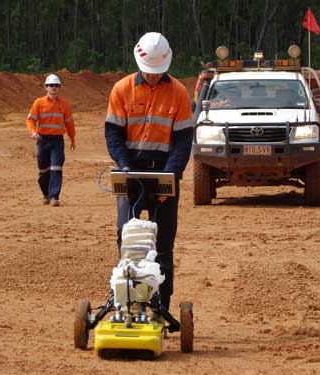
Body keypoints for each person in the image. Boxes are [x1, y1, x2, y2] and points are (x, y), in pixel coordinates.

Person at [104, 32, 193, 311]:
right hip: (131, 172)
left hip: (164, 172)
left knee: (163, 245)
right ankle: (124, 301)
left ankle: (162, 305)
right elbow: (113, 134)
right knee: (126, 236)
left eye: (158, 72)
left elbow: (182, 141)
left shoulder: (178, 92)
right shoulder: (121, 89)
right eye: (148, 72)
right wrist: (125, 165)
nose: (153, 77)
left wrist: (171, 176)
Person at [26, 74, 76, 207]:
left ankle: (54, 196)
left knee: (56, 168)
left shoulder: (64, 105)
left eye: (56, 86)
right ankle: (46, 194)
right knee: (43, 169)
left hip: (57, 141)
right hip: (43, 140)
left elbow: (69, 123)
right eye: (51, 85)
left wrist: (72, 138)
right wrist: (33, 132)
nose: (53, 88)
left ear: (59, 88)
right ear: (46, 87)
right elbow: (30, 119)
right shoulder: (39, 103)